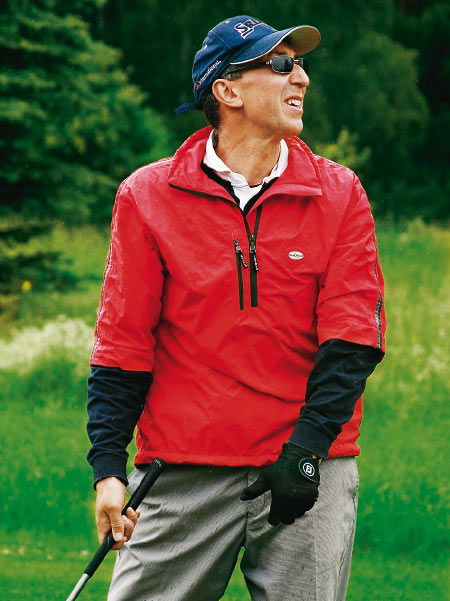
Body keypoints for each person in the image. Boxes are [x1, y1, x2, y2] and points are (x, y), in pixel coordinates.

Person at [87, 15, 386, 601]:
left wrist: (307, 449)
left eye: (301, 64)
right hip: (182, 471)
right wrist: (108, 470)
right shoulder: (146, 196)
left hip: (309, 467)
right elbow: (123, 342)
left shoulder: (340, 193)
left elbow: (354, 336)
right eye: (280, 64)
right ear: (226, 90)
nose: (300, 77)